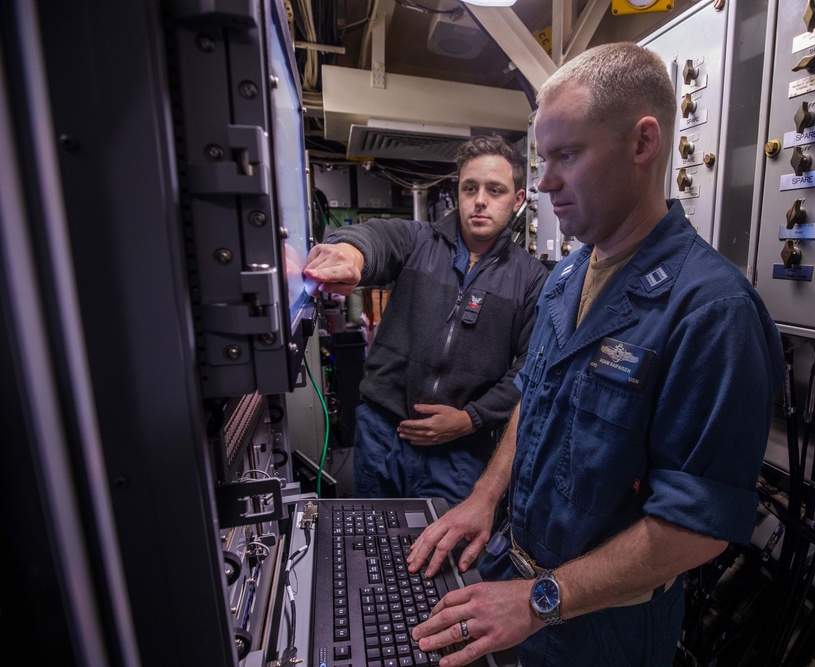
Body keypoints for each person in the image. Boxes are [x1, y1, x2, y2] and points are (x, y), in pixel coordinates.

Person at [403, 42, 784, 666]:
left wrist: (538, 602)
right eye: (543, 158)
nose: (546, 181)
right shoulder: (567, 275)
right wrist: (485, 497)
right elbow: (536, 395)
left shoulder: (712, 312)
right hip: (517, 577)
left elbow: (695, 527)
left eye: (567, 156)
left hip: (603, 630)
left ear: (643, 144)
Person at [303, 135, 548, 506]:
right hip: (385, 434)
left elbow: (529, 368)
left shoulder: (531, 279)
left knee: (445, 556)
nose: (480, 200)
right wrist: (351, 253)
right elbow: (377, 239)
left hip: (461, 451)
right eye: (470, 188)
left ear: (517, 200)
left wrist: (472, 419)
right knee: (371, 540)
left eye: (495, 190)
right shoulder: (418, 241)